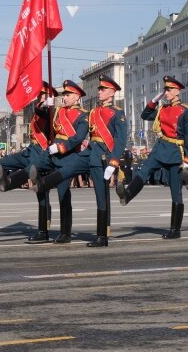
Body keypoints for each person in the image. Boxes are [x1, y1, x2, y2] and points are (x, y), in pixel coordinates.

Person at [117, 75, 188, 239]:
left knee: (176, 191)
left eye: (169, 89)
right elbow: (145, 115)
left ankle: (175, 230)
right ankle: (127, 194)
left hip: (176, 151)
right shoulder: (162, 109)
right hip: (161, 148)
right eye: (165, 89)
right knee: (144, 170)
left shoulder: (186, 111)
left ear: (177, 91)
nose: (166, 92)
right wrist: (154, 100)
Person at [27, 80, 89, 244]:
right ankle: (11, 180)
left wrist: (60, 147)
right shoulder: (58, 112)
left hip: (67, 157)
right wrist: (43, 105)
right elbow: (40, 115)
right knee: (34, 170)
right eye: (64, 95)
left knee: (63, 195)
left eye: (68, 95)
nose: (65, 97)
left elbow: (78, 138)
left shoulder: (83, 115)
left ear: (77, 97)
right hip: (52, 154)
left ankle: (65, 232)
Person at [0, 81, 56, 243]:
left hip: (42, 152)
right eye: (39, 95)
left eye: (42, 94)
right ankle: (0, 177)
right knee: (4, 162)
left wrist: (46, 105)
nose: (38, 97)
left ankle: (43, 231)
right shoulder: (39, 109)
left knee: (41, 194)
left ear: (49, 96)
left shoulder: (50, 110)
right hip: (30, 149)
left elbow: (42, 113)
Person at [79, 74, 126, 247]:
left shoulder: (117, 113)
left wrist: (113, 162)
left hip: (105, 156)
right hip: (91, 153)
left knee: (101, 195)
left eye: (103, 89)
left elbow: (120, 141)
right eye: (99, 89)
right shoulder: (94, 112)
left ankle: (102, 236)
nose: (99, 92)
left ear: (112, 92)